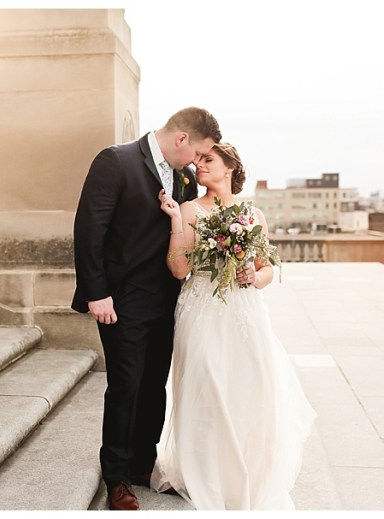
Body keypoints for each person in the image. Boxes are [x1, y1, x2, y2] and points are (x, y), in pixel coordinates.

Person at [71, 107, 222, 510]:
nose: (196, 162)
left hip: (169, 300)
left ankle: (142, 464)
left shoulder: (184, 177)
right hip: (120, 300)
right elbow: (89, 229)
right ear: (181, 140)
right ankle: (116, 476)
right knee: (126, 384)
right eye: (197, 152)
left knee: (154, 384)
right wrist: (96, 292)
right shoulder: (115, 161)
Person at [152, 142, 317, 510]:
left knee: (249, 390)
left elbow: (266, 269)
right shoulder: (189, 208)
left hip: (245, 311)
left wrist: (252, 276)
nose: (199, 168)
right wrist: (177, 222)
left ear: (230, 167)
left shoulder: (253, 214)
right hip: (201, 309)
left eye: (208, 161)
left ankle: (245, 471)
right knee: (205, 386)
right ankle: (206, 472)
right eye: (197, 163)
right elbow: (180, 270)